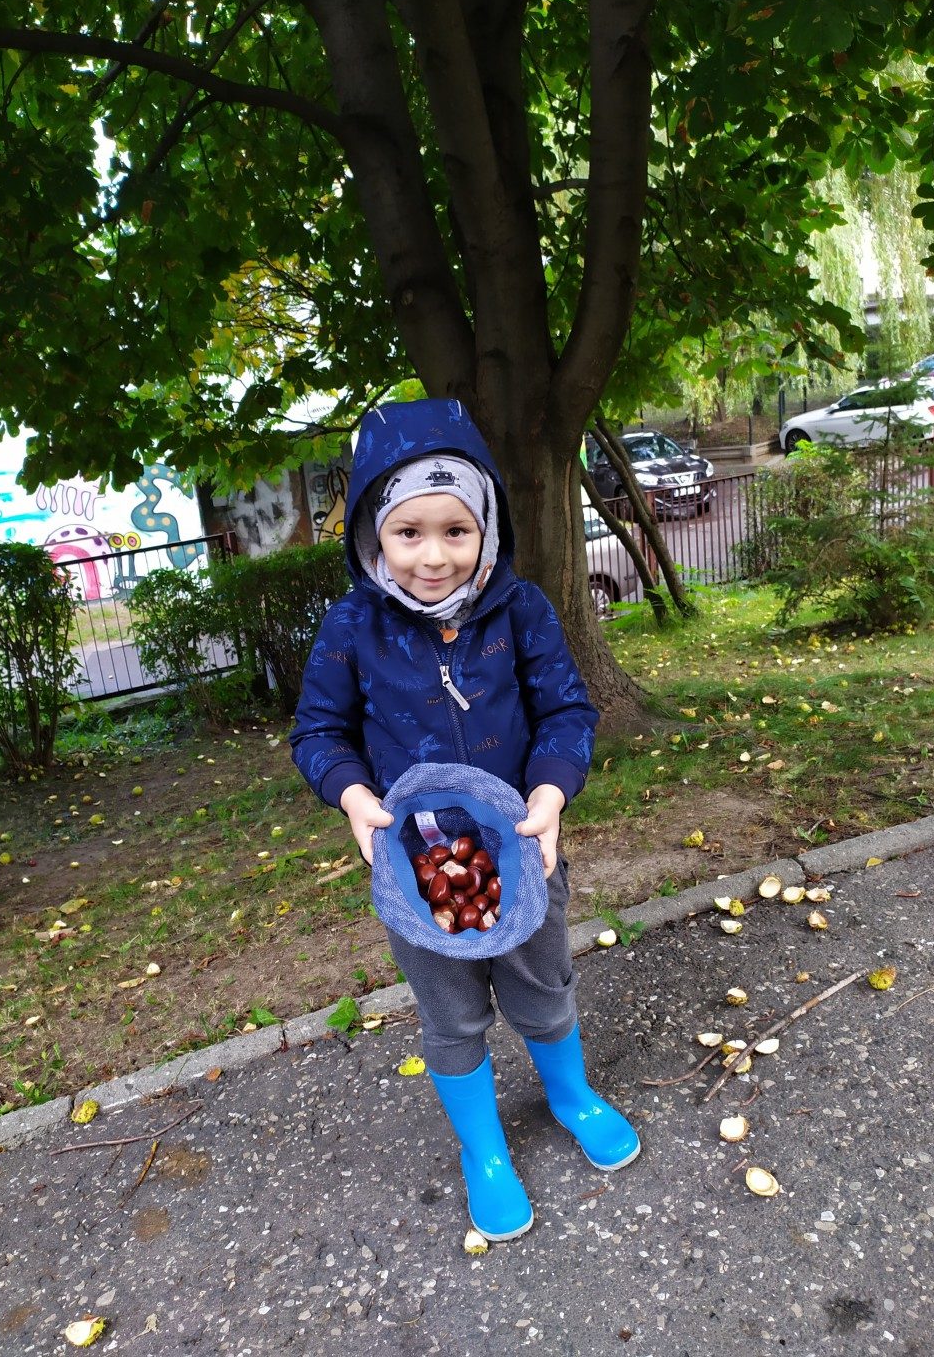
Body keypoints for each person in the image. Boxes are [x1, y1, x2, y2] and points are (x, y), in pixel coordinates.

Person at [291, 397, 640, 1242]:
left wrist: (551, 795)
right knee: (451, 1017)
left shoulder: (522, 611)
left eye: (457, 530)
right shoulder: (352, 626)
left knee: (544, 989)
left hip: (523, 852)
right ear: (373, 534)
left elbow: (566, 712)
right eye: (408, 533)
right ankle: (484, 1151)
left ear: (487, 525)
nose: (434, 555)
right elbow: (318, 732)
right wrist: (352, 796)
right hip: (415, 869)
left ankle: (571, 1095)